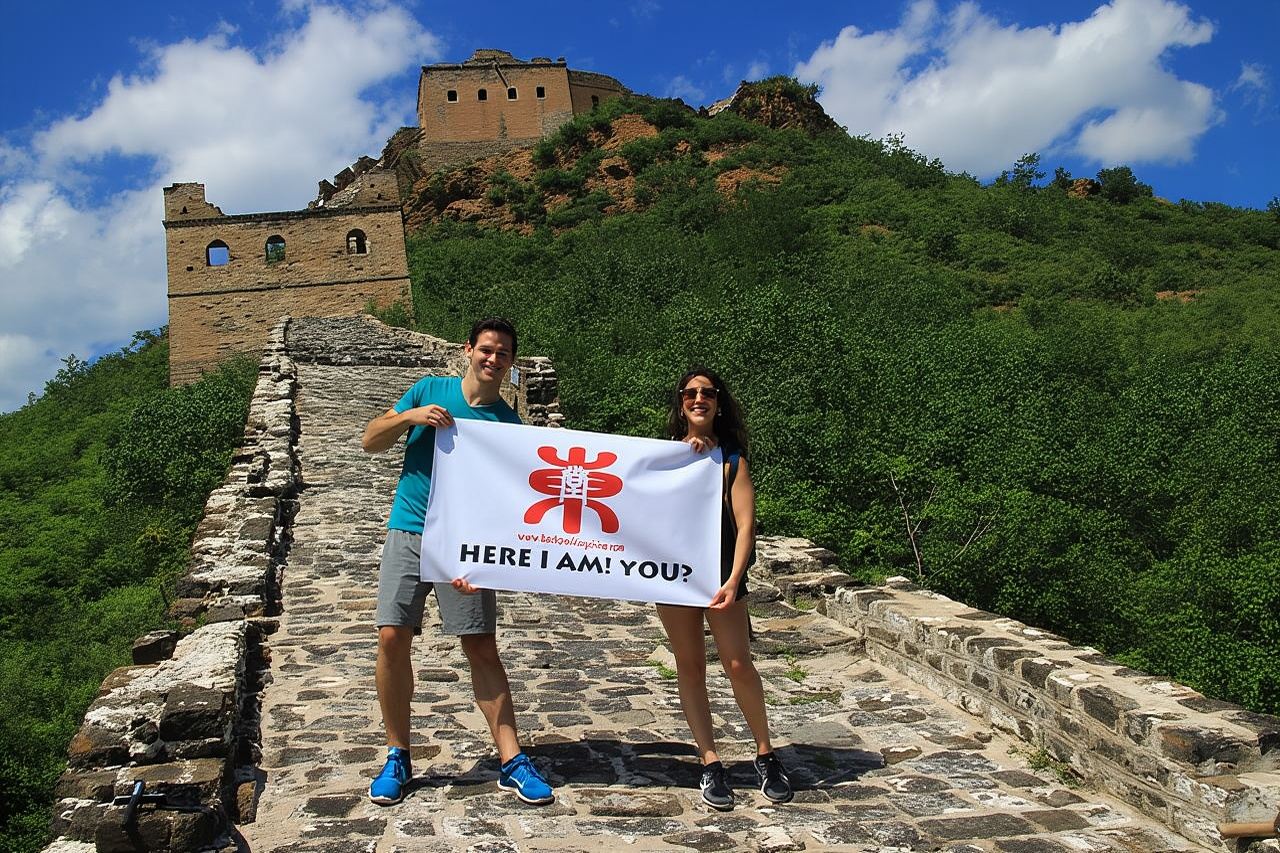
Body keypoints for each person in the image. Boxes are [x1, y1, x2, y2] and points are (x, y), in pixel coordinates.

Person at [360, 317, 553, 807]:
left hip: (466, 545)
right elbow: (370, 439)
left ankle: (511, 760)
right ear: (469, 350)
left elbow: (511, 501)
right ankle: (397, 755)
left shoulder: (510, 425)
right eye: (486, 350)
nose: (493, 359)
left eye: (503, 355)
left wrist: (484, 561)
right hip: (409, 527)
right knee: (391, 635)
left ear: (510, 365)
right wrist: (411, 417)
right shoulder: (430, 389)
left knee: (481, 647)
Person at [658, 367, 793, 811]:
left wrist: (735, 581)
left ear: (718, 402)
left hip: (721, 577)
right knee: (690, 667)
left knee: (738, 663)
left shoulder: (732, 460)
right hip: (675, 580)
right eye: (691, 393)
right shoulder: (662, 457)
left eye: (708, 393)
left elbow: (746, 524)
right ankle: (710, 760)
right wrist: (681, 458)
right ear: (681, 402)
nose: (700, 399)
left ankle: (765, 753)